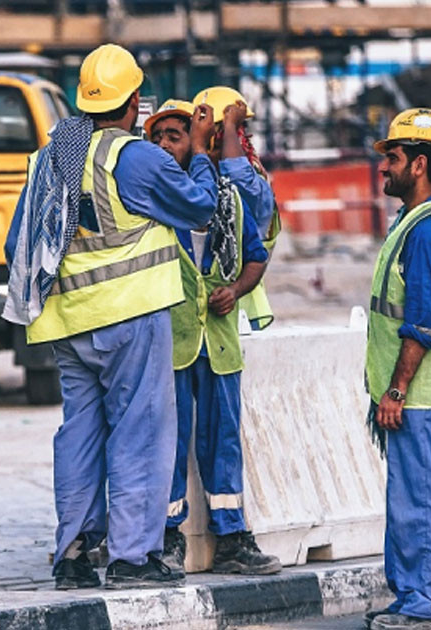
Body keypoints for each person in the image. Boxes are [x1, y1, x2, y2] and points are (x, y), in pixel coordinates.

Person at [2, 44, 218, 590]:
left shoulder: (55, 155)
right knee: (140, 432)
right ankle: (130, 556)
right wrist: (201, 151)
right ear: (135, 102)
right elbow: (198, 207)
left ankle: (74, 554)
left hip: (68, 322)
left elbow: (19, 240)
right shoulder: (136, 157)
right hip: (131, 316)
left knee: (80, 434)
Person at [146, 96, 281, 576]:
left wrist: (237, 289)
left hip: (219, 343)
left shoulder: (229, 198)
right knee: (169, 441)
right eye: (157, 137)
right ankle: (165, 538)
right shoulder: (153, 199)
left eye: (175, 136)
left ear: (193, 142)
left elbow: (257, 254)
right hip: (173, 342)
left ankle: (231, 538)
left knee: (223, 439)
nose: (165, 145)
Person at [364, 108, 431, 630]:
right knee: (408, 500)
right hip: (417, 392)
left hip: (421, 391)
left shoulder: (429, 231)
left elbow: (424, 322)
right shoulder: (419, 220)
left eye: (394, 157)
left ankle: (427, 604)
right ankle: (412, 597)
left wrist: (397, 390)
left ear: (420, 165)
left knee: (423, 500)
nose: (384, 166)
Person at [193, 87, 280, 331]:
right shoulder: (197, 185)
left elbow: (237, 178)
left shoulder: (255, 187)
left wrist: (229, 127)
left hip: (241, 312)